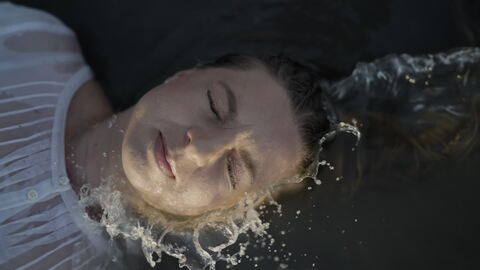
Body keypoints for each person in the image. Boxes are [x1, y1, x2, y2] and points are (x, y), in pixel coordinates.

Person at [0, 3, 330, 269]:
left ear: (233, 215)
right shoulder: (29, 45)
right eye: (214, 105)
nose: (198, 147)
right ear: (183, 76)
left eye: (234, 170)